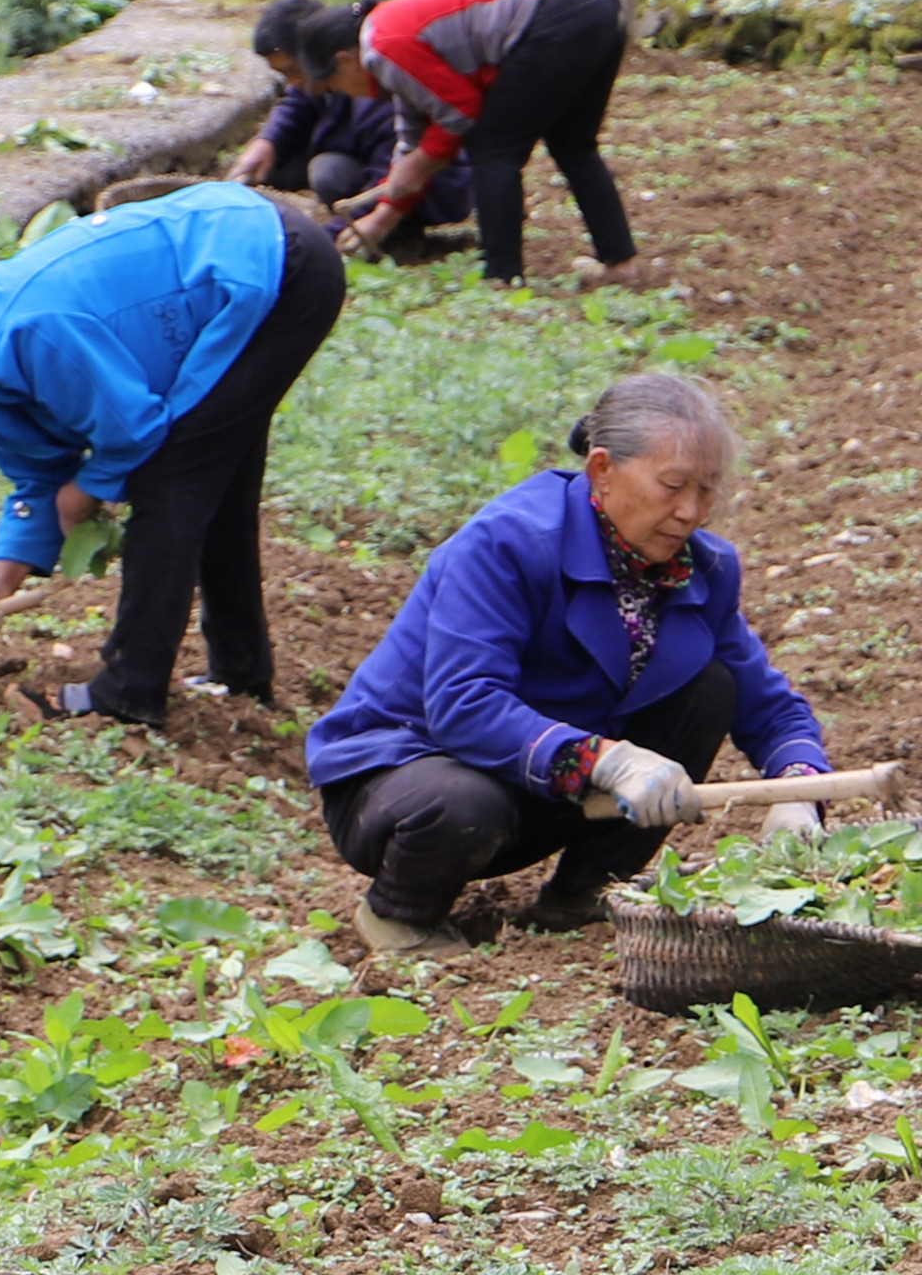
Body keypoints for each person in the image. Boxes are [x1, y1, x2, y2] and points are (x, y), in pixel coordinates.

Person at [304, 374, 829, 957]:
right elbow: (462, 705)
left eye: (707, 491)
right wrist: (608, 759)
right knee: (462, 803)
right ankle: (400, 913)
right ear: (602, 469)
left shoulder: (701, 569)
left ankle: (583, 893)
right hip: (411, 780)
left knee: (708, 688)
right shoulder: (510, 542)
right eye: (673, 486)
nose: (690, 512)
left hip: (549, 789)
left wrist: (799, 787)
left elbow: (765, 702)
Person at [0, 179, 344, 723]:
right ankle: (239, 675)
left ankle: (128, 692)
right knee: (210, 478)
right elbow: (37, 471)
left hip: (271, 267)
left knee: (171, 482)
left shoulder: (30, 330)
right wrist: (4, 573)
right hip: (236, 267)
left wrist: (89, 490)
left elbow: (136, 430)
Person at [297, 0, 642, 286]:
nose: (346, 93)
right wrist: (384, 216)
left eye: (334, 85)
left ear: (344, 61)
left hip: (556, 9)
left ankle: (501, 276)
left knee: (492, 148)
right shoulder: (387, 38)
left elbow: (462, 111)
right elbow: (415, 136)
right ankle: (620, 262)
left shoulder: (386, 45)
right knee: (573, 144)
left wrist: (417, 164)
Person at [227, 0, 472, 231]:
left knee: (327, 172)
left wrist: (346, 230)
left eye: (293, 71)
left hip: (424, 186)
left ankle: (400, 227)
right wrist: (266, 142)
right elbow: (298, 104)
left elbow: (395, 169)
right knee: (274, 165)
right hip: (372, 156)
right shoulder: (331, 72)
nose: (292, 83)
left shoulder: (373, 87)